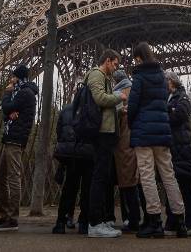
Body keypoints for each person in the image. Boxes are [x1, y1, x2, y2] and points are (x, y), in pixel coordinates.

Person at [128, 42, 187, 239]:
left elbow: (133, 105)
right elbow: (164, 103)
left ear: (138, 57)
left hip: (144, 133)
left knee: (147, 176)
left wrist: (131, 122)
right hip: (162, 132)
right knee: (169, 175)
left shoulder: (139, 77)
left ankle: (154, 220)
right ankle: (180, 220)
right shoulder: (163, 77)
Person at [0, 65, 37, 232]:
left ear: (18, 77)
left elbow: (6, 107)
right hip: (10, 138)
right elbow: (6, 111)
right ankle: (5, 216)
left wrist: (7, 96)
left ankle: (12, 219)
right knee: (1, 177)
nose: (10, 80)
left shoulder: (24, 93)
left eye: (13, 77)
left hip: (16, 140)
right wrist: (9, 111)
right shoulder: (21, 92)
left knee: (13, 178)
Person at [85, 49, 127, 238]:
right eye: (116, 64)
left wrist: (119, 111)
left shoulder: (105, 77)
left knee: (103, 177)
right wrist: (120, 97)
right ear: (108, 60)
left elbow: (105, 106)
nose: (116, 68)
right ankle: (94, 224)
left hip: (107, 132)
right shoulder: (96, 74)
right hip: (101, 133)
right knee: (99, 178)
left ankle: (100, 221)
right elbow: (99, 99)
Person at [52, 93, 94, 234]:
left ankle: (60, 222)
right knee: (87, 190)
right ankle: (83, 223)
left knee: (69, 189)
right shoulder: (93, 109)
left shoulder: (66, 109)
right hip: (88, 154)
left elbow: (59, 132)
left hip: (71, 155)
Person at [165, 70, 191, 235]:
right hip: (172, 146)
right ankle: (172, 223)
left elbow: (180, 115)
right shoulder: (169, 98)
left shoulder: (182, 97)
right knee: (170, 186)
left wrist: (167, 112)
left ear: (171, 81)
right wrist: (168, 110)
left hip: (182, 147)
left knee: (184, 186)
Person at [112, 69, 142, 233]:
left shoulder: (118, 93)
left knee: (127, 183)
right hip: (138, 140)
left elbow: (113, 120)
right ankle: (146, 218)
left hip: (123, 142)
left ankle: (132, 219)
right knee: (139, 182)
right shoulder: (135, 90)